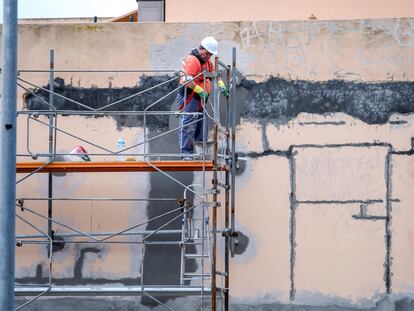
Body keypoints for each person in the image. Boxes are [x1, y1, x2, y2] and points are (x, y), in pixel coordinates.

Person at [176, 36, 228, 157]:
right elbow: (187, 80)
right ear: (201, 48)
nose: (208, 56)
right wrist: (200, 90)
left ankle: (202, 154)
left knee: (202, 127)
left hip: (199, 99)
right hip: (189, 97)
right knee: (188, 126)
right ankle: (186, 155)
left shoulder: (207, 62)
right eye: (207, 53)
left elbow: (215, 74)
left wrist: (221, 84)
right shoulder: (193, 60)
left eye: (210, 55)